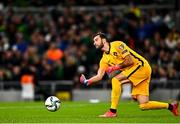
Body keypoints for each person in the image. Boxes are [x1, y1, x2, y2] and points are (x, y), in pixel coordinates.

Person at [80, 32, 179, 118]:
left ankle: (112, 111)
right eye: (93, 41)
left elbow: (130, 61)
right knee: (144, 105)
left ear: (104, 40)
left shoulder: (118, 45)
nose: (94, 43)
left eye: (96, 40)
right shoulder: (104, 60)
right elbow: (99, 76)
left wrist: (114, 67)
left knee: (115, 80)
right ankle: (171, 106)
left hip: (141, 66)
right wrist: (87, 81)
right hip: (137, 72)